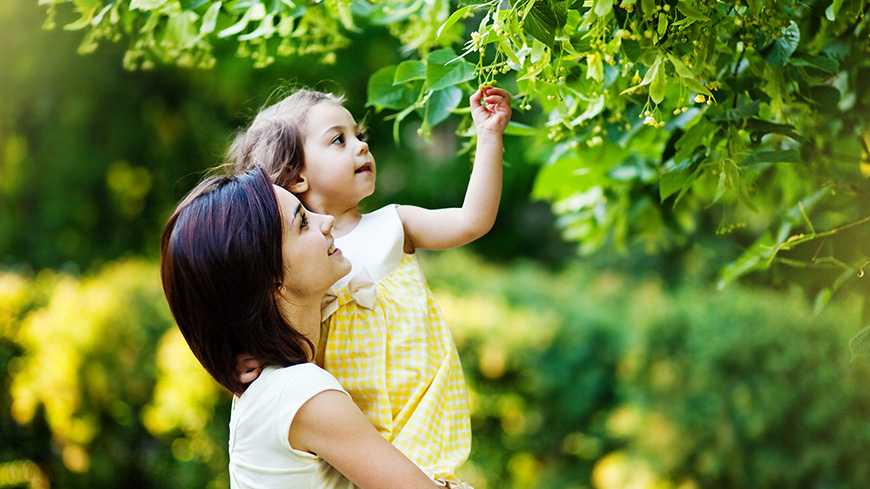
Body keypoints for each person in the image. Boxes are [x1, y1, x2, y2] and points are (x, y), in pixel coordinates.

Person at [229, 85, 511, 486]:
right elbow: (263, 321)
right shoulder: (293, 264)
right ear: (295, 175)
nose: (361, 147)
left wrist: (488, 137)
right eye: (339, 140)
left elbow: (472, 220)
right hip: (352, 446)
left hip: (422, 422)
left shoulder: (395, 223)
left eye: (359, 136)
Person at [160, 166, 442, 489]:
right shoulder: (299, 391)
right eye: (303, 222)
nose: (327, 221)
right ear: (269, 281)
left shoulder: (268, 391)